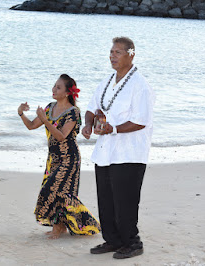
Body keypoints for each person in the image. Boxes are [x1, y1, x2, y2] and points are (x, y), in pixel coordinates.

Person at [82, 37, 155, 259]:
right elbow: (91, 108)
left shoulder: (140, 85)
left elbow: (140, 120)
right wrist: (88, 124)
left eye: (118, 52)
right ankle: (112, 240)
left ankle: (133, 243)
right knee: (105, 199)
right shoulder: (106, 81)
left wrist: (112, 129)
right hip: (105, 152)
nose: (112, 56)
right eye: (111, 51)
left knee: (125, 201)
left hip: (130, 153)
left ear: (131, 54)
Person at [18, 74, 101, 239]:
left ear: (67, 92)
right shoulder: (50, 108)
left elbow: (61, 136)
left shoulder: (73, 113)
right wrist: (21, 113)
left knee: (53, 191)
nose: (53, 89)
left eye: (58, 87)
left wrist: (45, 119)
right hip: (54, 159)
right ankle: (60, 227)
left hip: (69, 159)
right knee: (59, 194)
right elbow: (32, 126)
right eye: (54, 86)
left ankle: (74, 226)